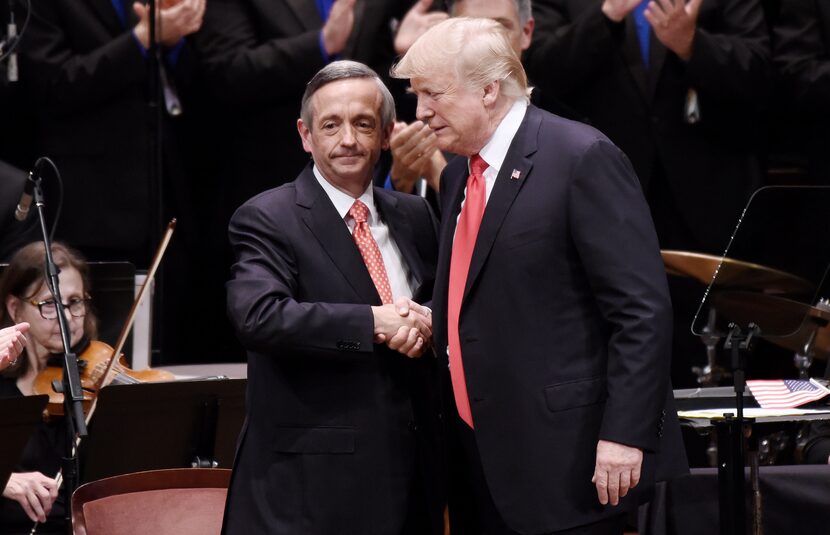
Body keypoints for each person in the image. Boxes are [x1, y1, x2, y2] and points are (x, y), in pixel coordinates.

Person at [392, 18, 685, 534]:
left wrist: (626, 434)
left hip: (570, 462)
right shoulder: (461, 169)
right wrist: (439, 316)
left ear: (488, 89)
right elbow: (499, 287)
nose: (420, 113)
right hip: (477, 458)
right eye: (416, 96)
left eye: (433, 94)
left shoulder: (580, 157)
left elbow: (642, 311)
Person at [222, 60, 443, 534]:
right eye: (331, 125)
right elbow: (259, 317)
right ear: (305, 135)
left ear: (385, 134)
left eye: (363, 124)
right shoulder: (267, 217)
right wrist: (375, 323)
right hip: (309, 493)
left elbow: (445, 304)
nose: (348, 140)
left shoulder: (417, 214)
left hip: (413, 481)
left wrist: (423, 325)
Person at [387, 0, 536, 195]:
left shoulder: (566, 141)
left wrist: (439, 175)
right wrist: (400, 180)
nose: (483, 39)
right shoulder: (432, 129)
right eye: (469, 25)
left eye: (498, 27)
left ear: (526, 32)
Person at [0, 241, 98, 534]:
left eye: (75, 302)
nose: (67, 318)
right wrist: (4, 480)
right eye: (49, 305)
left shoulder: (97, 392)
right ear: (15, 308)